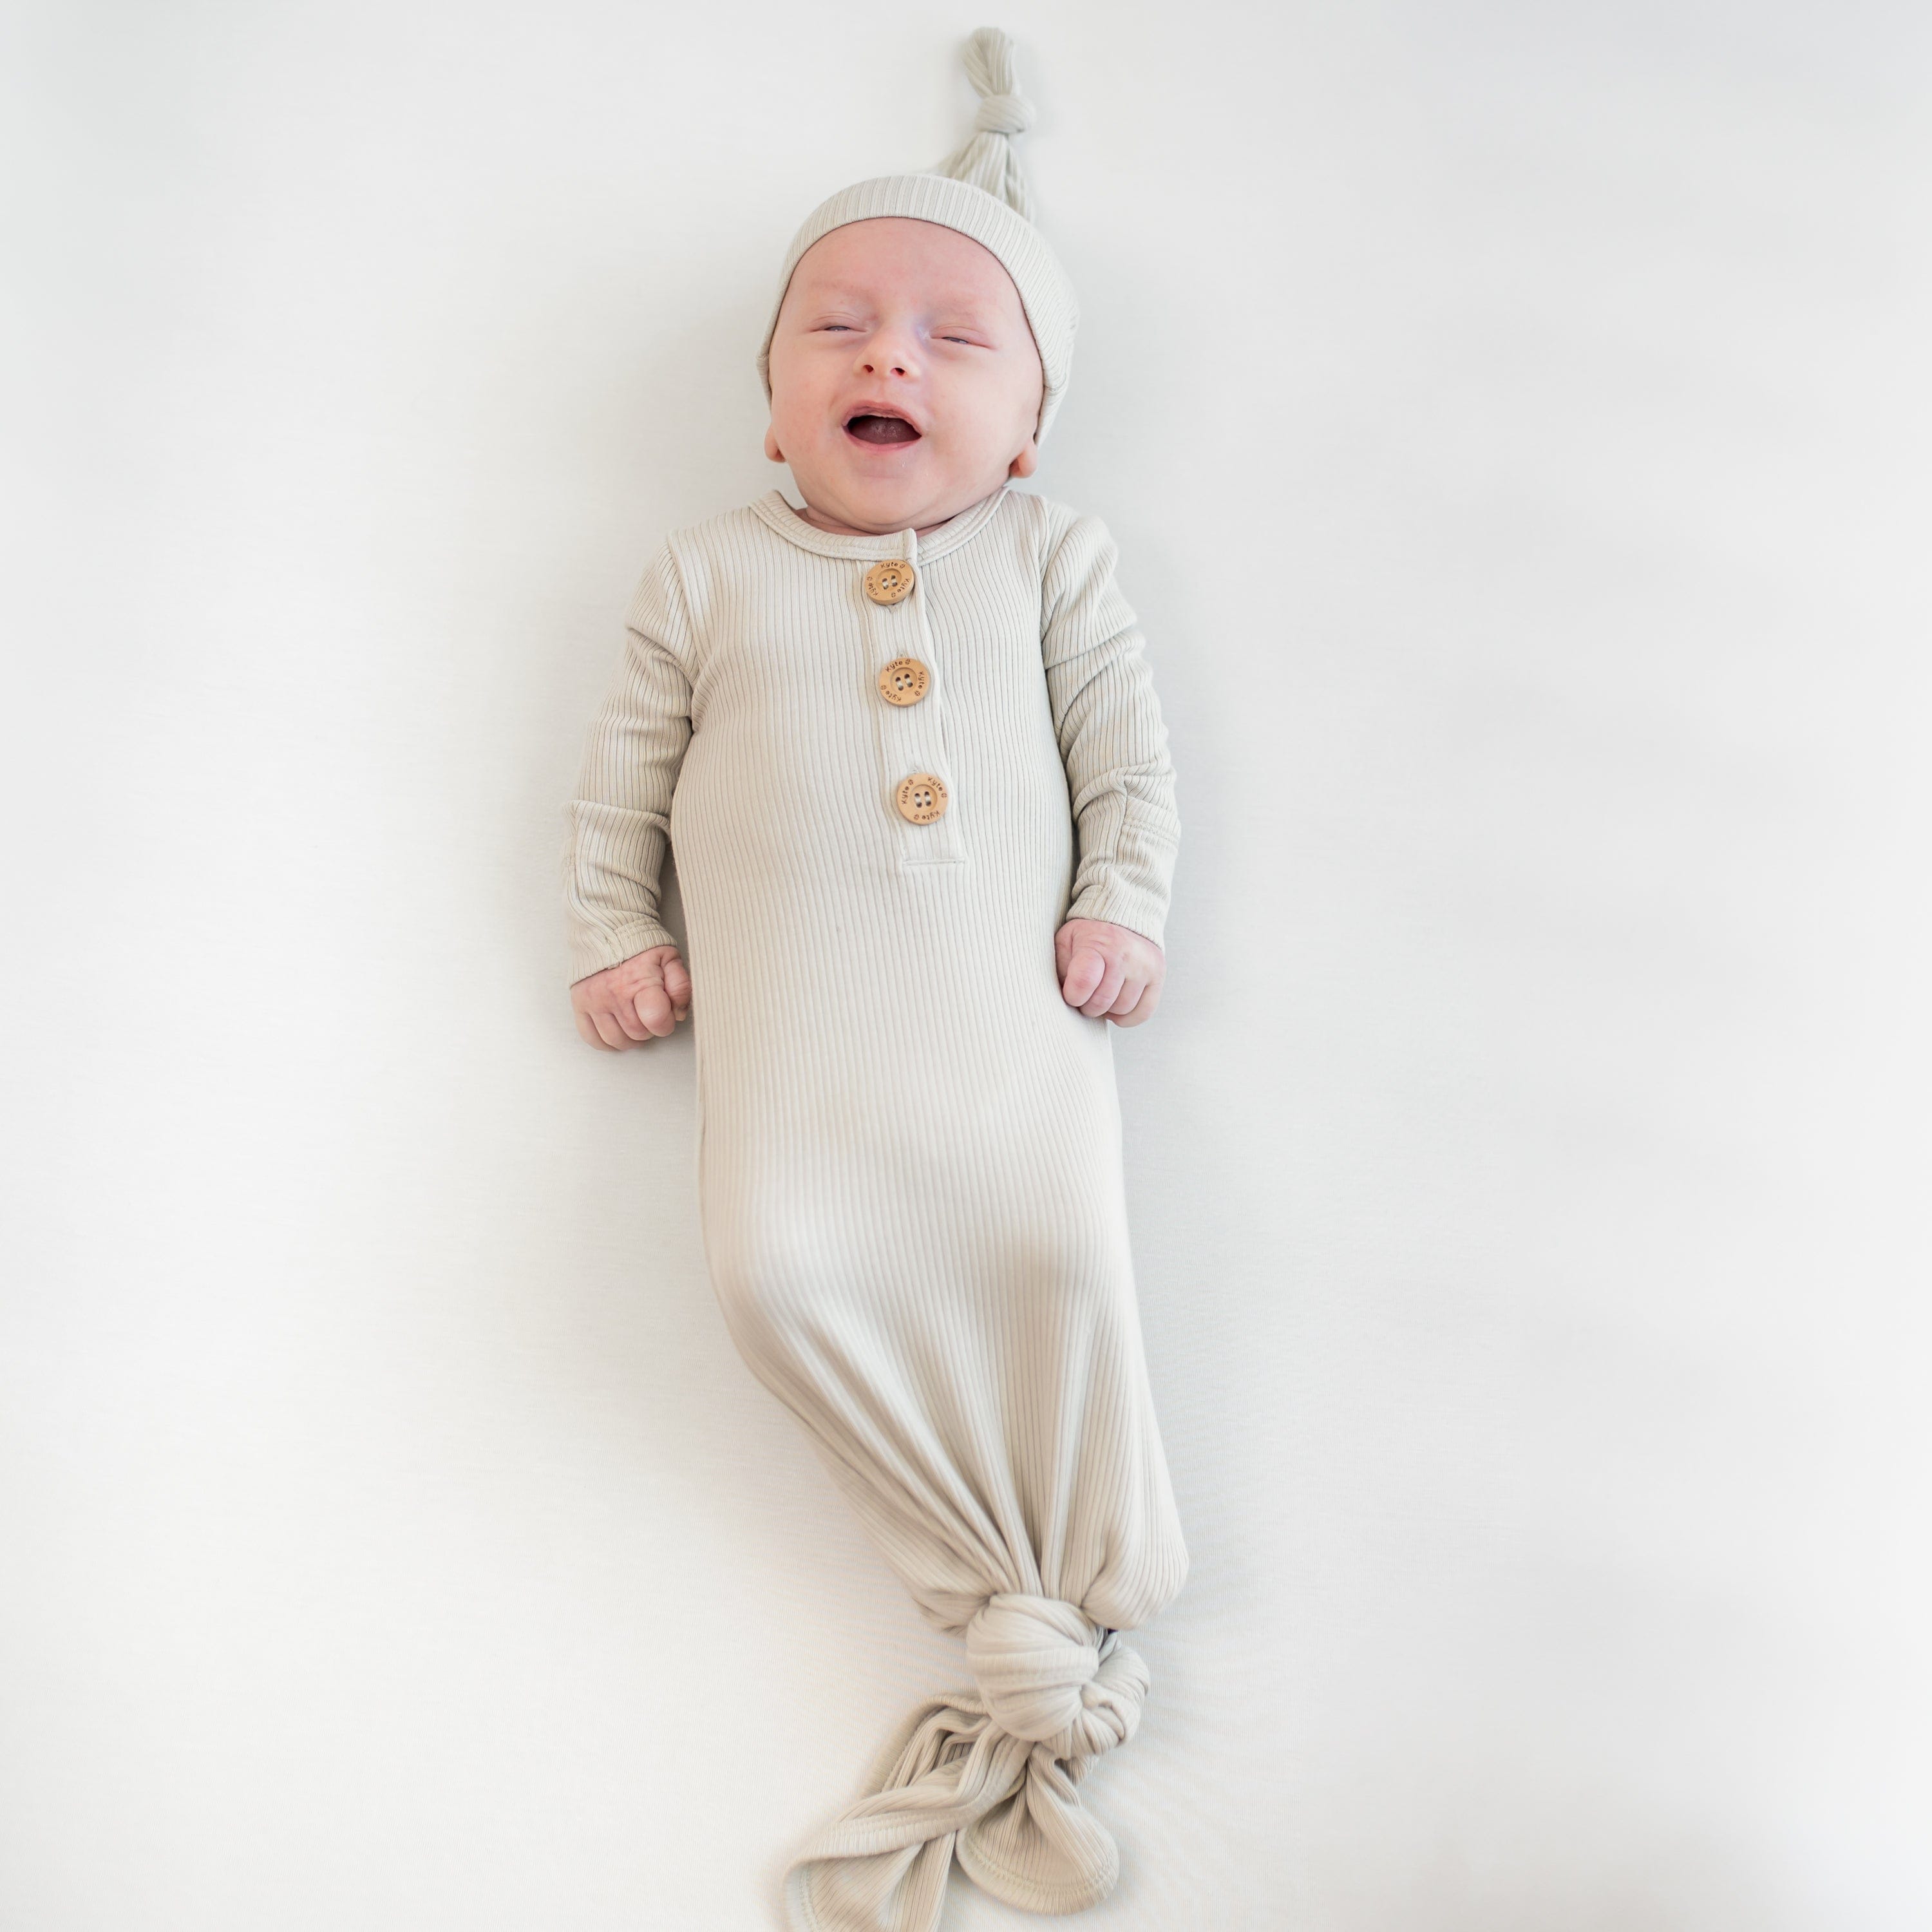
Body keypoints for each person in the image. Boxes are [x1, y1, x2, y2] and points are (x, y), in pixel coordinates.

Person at [561, 30, 1189, 1931]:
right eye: (833, 329)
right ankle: (986, 1586)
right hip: (793, 1054)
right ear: (769, 409)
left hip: (1009, 1034)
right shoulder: (706, 577)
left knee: (1060, 1262)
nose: (885, 359)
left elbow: (1129, 761)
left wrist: (1123, 902)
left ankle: (1066, 1593)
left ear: (1032, 421)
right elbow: (624, 781)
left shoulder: (1048, 560)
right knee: (774, 1274)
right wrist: (612, 931)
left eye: (948, 336)